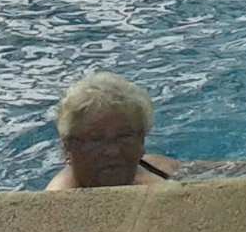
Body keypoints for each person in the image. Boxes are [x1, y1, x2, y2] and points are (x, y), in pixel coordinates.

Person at [47, 72, 177, 190]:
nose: (113, 151)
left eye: (124, 137)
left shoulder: (161, 168)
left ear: (141, 141)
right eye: (96, 139)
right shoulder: (59, 199)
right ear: (68, 148)